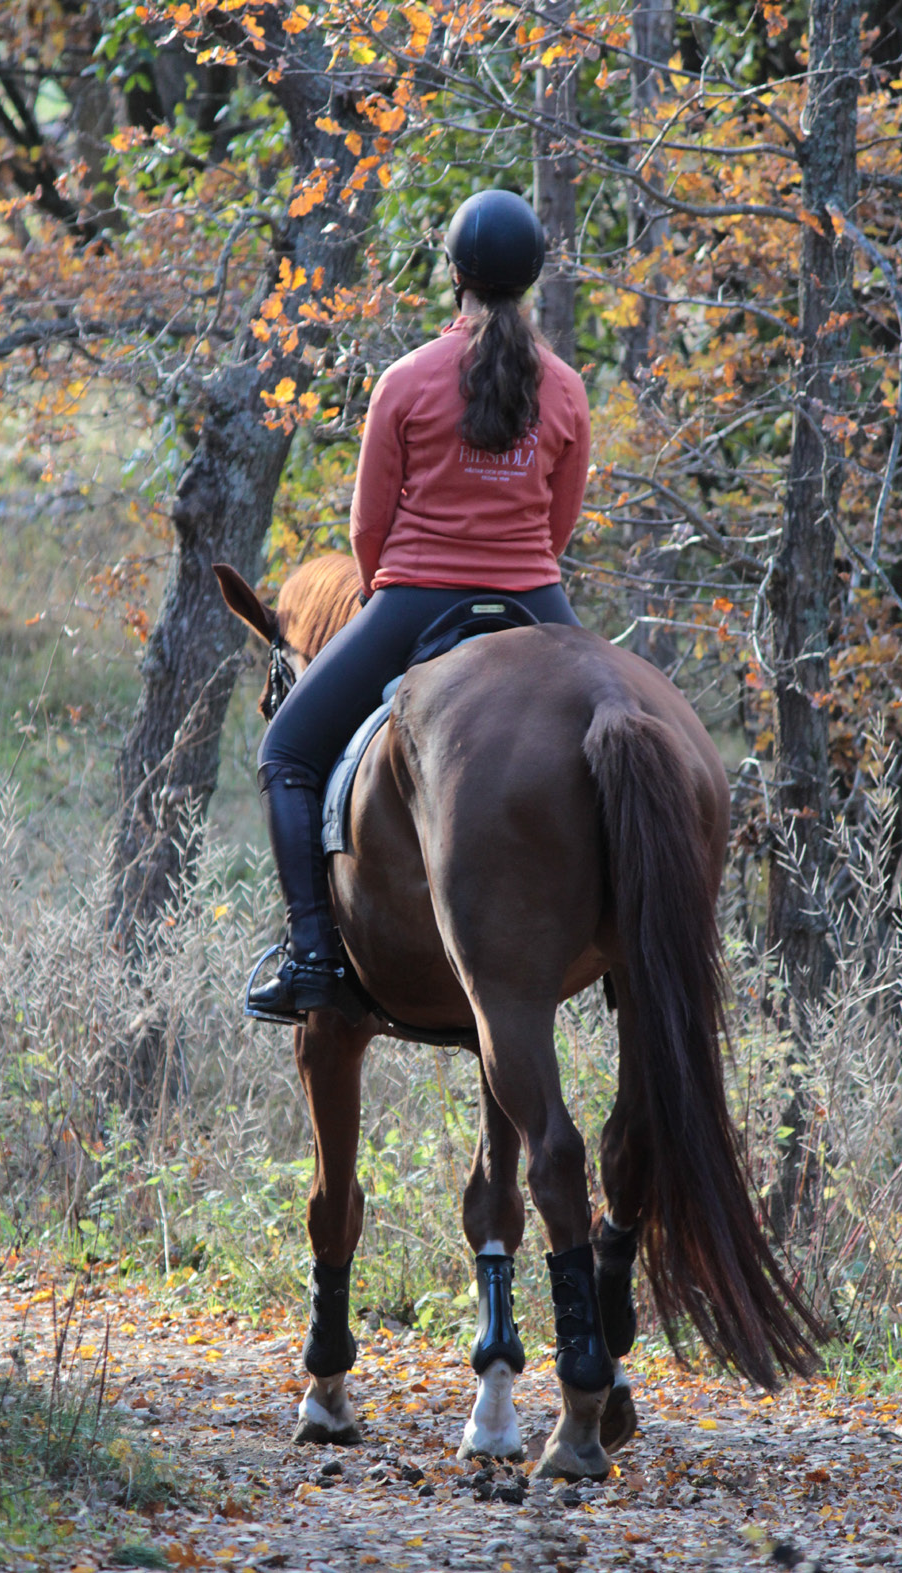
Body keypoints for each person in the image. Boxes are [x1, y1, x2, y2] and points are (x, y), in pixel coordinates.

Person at [247, 188, 591, 1024]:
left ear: (455, 276)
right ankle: (616, 949)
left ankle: (314, 959)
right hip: (534, 597)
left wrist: (385, 585)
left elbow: (368, 526)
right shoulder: (568, 389)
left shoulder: (405, 380)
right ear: (530, 280)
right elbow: (560, 522)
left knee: (286, 750)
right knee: (624, 742)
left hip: (414, 602)